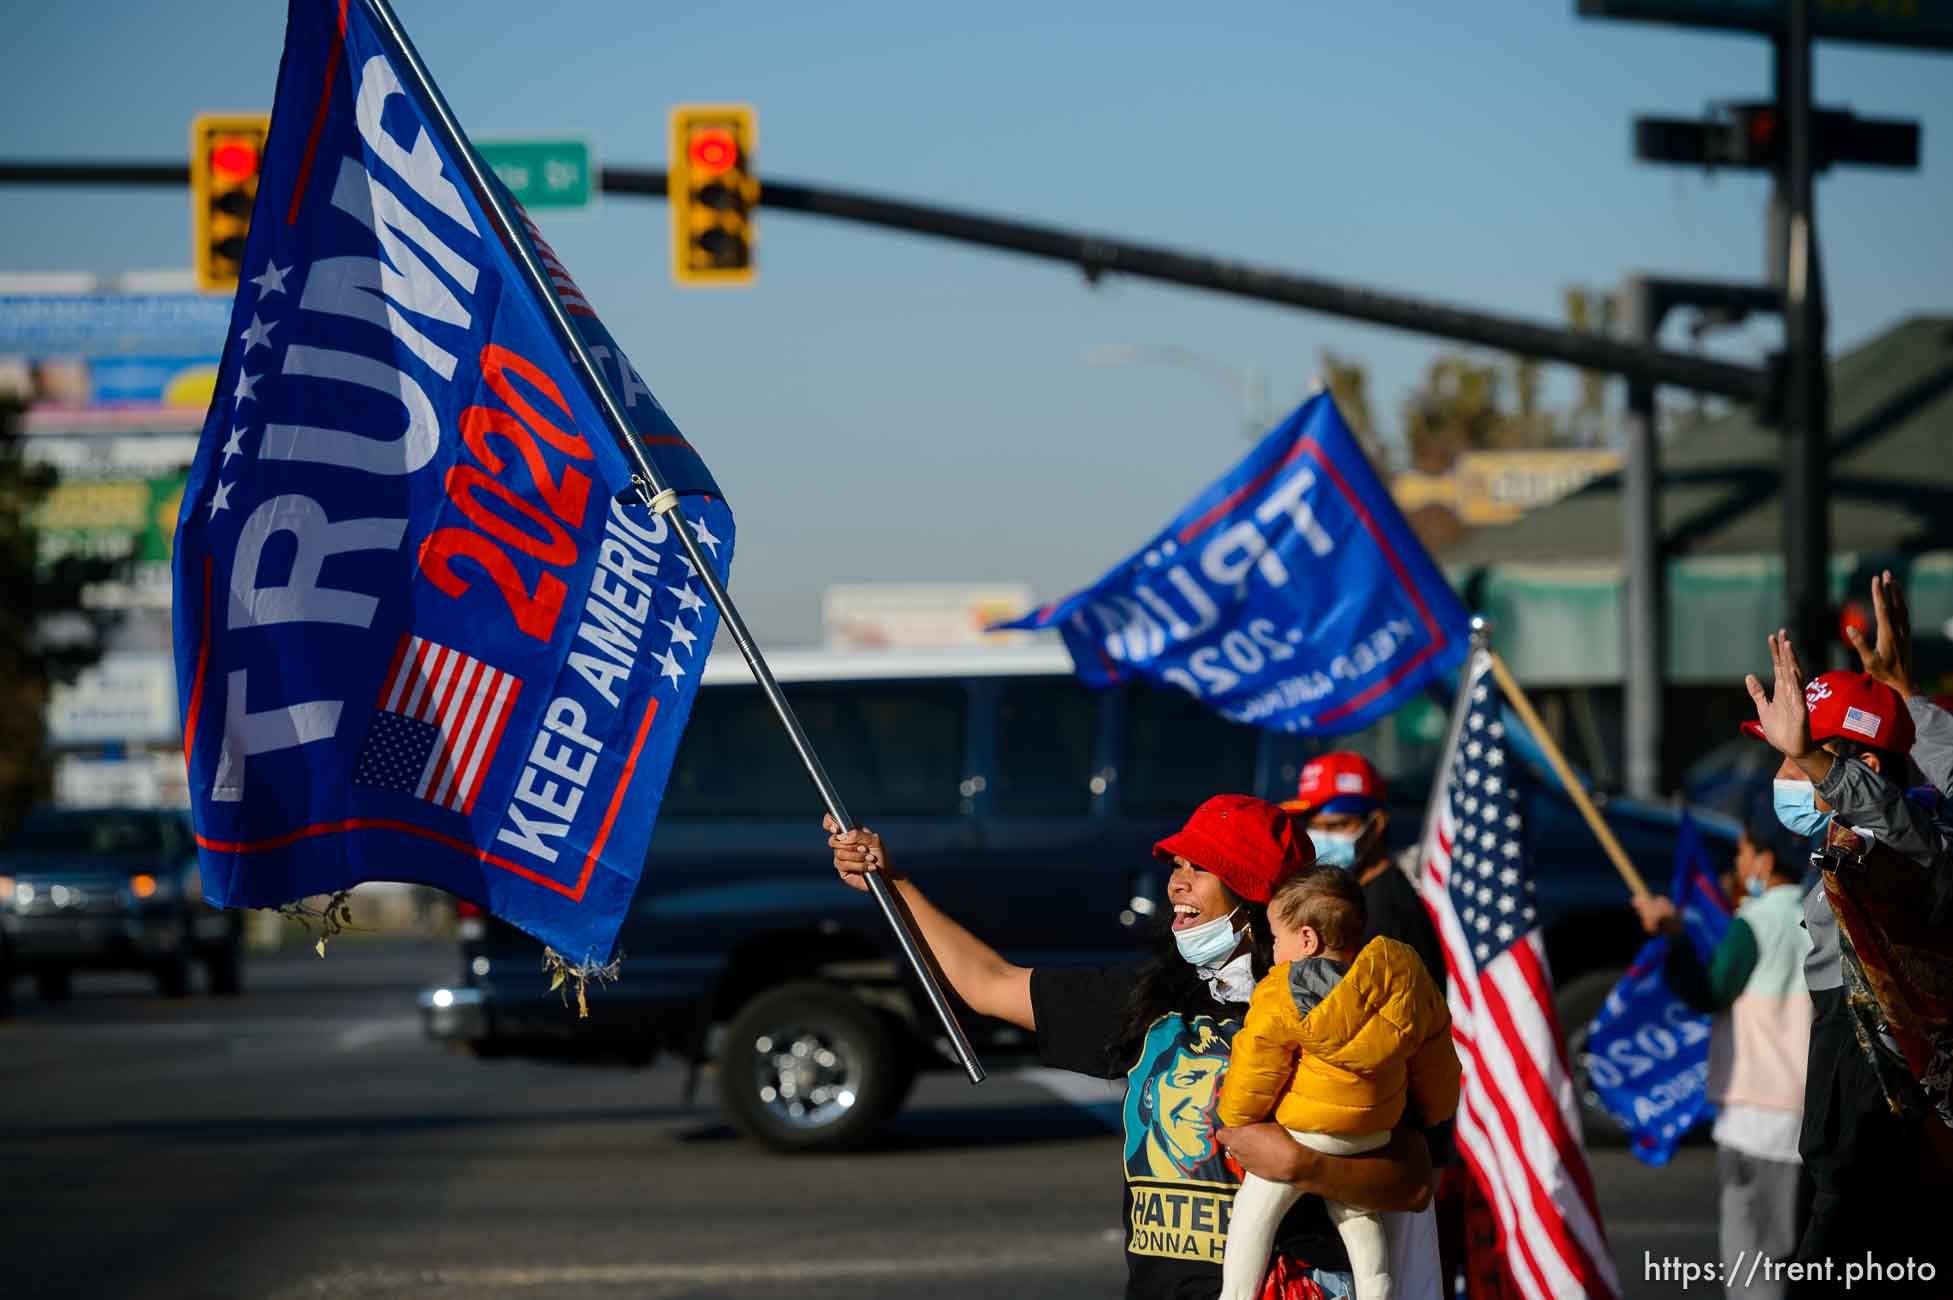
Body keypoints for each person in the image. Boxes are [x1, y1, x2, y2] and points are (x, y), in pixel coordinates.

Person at [826, 793, 1440, 1300]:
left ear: (1257, 899)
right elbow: (989, 984)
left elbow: (1413, 1182)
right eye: (1177, 866)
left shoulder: (1337, 1009)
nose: (1177, 883)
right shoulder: (1152, 998)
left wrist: (1305, 1167)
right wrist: (894, 881)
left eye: (1200, 870)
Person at [1741, 589, 1953, 1289]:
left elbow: (1906, 829)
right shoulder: (1864, 836)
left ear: (1851, 768)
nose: (1781, 775)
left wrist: (1822, 764)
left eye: (1793, 759)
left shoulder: (1900, 850)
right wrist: (1905, 697)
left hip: (1879, 1134)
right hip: (1871, 1142)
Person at [1218, 868, 1460, 1300]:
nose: (1273, 950)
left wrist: (1237, 1120)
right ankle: (1375, 1292)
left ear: (1307, 940)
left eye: (1276, 938)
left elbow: (1257, 1062)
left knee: (1254, 1214)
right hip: (1374, 1134)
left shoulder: (1280, 991)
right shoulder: (1403, 979)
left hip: (1306, 1133)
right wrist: (1433, 1113)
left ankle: (1234, 1295)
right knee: (1359, 1221)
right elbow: (1438, 1060)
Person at [1632, 805, 1811, 1300]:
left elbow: (1709, 991)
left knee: (1753, 1262)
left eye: (1742, 852)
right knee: (1795, 1253)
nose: (1738, 862)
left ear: (1764, 860)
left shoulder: (1757, 921)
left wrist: (1672, 936)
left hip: (1757, 1113)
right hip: (1809, 1110)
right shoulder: (1820, 910)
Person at [1282, 753, 1445, 985]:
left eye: (1337, 825)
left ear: (1376, 824)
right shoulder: (1355, 898)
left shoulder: (1388, 913)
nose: (1322, 838)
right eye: (1314, 827)